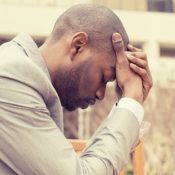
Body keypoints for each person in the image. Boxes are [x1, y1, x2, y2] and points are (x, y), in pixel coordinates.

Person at [0, 4, 152, 175]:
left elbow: (79, 165)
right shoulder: (12, 77)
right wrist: (131, 100)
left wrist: (125, 108)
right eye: (103, 77)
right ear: (78, 45)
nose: (100, 94)